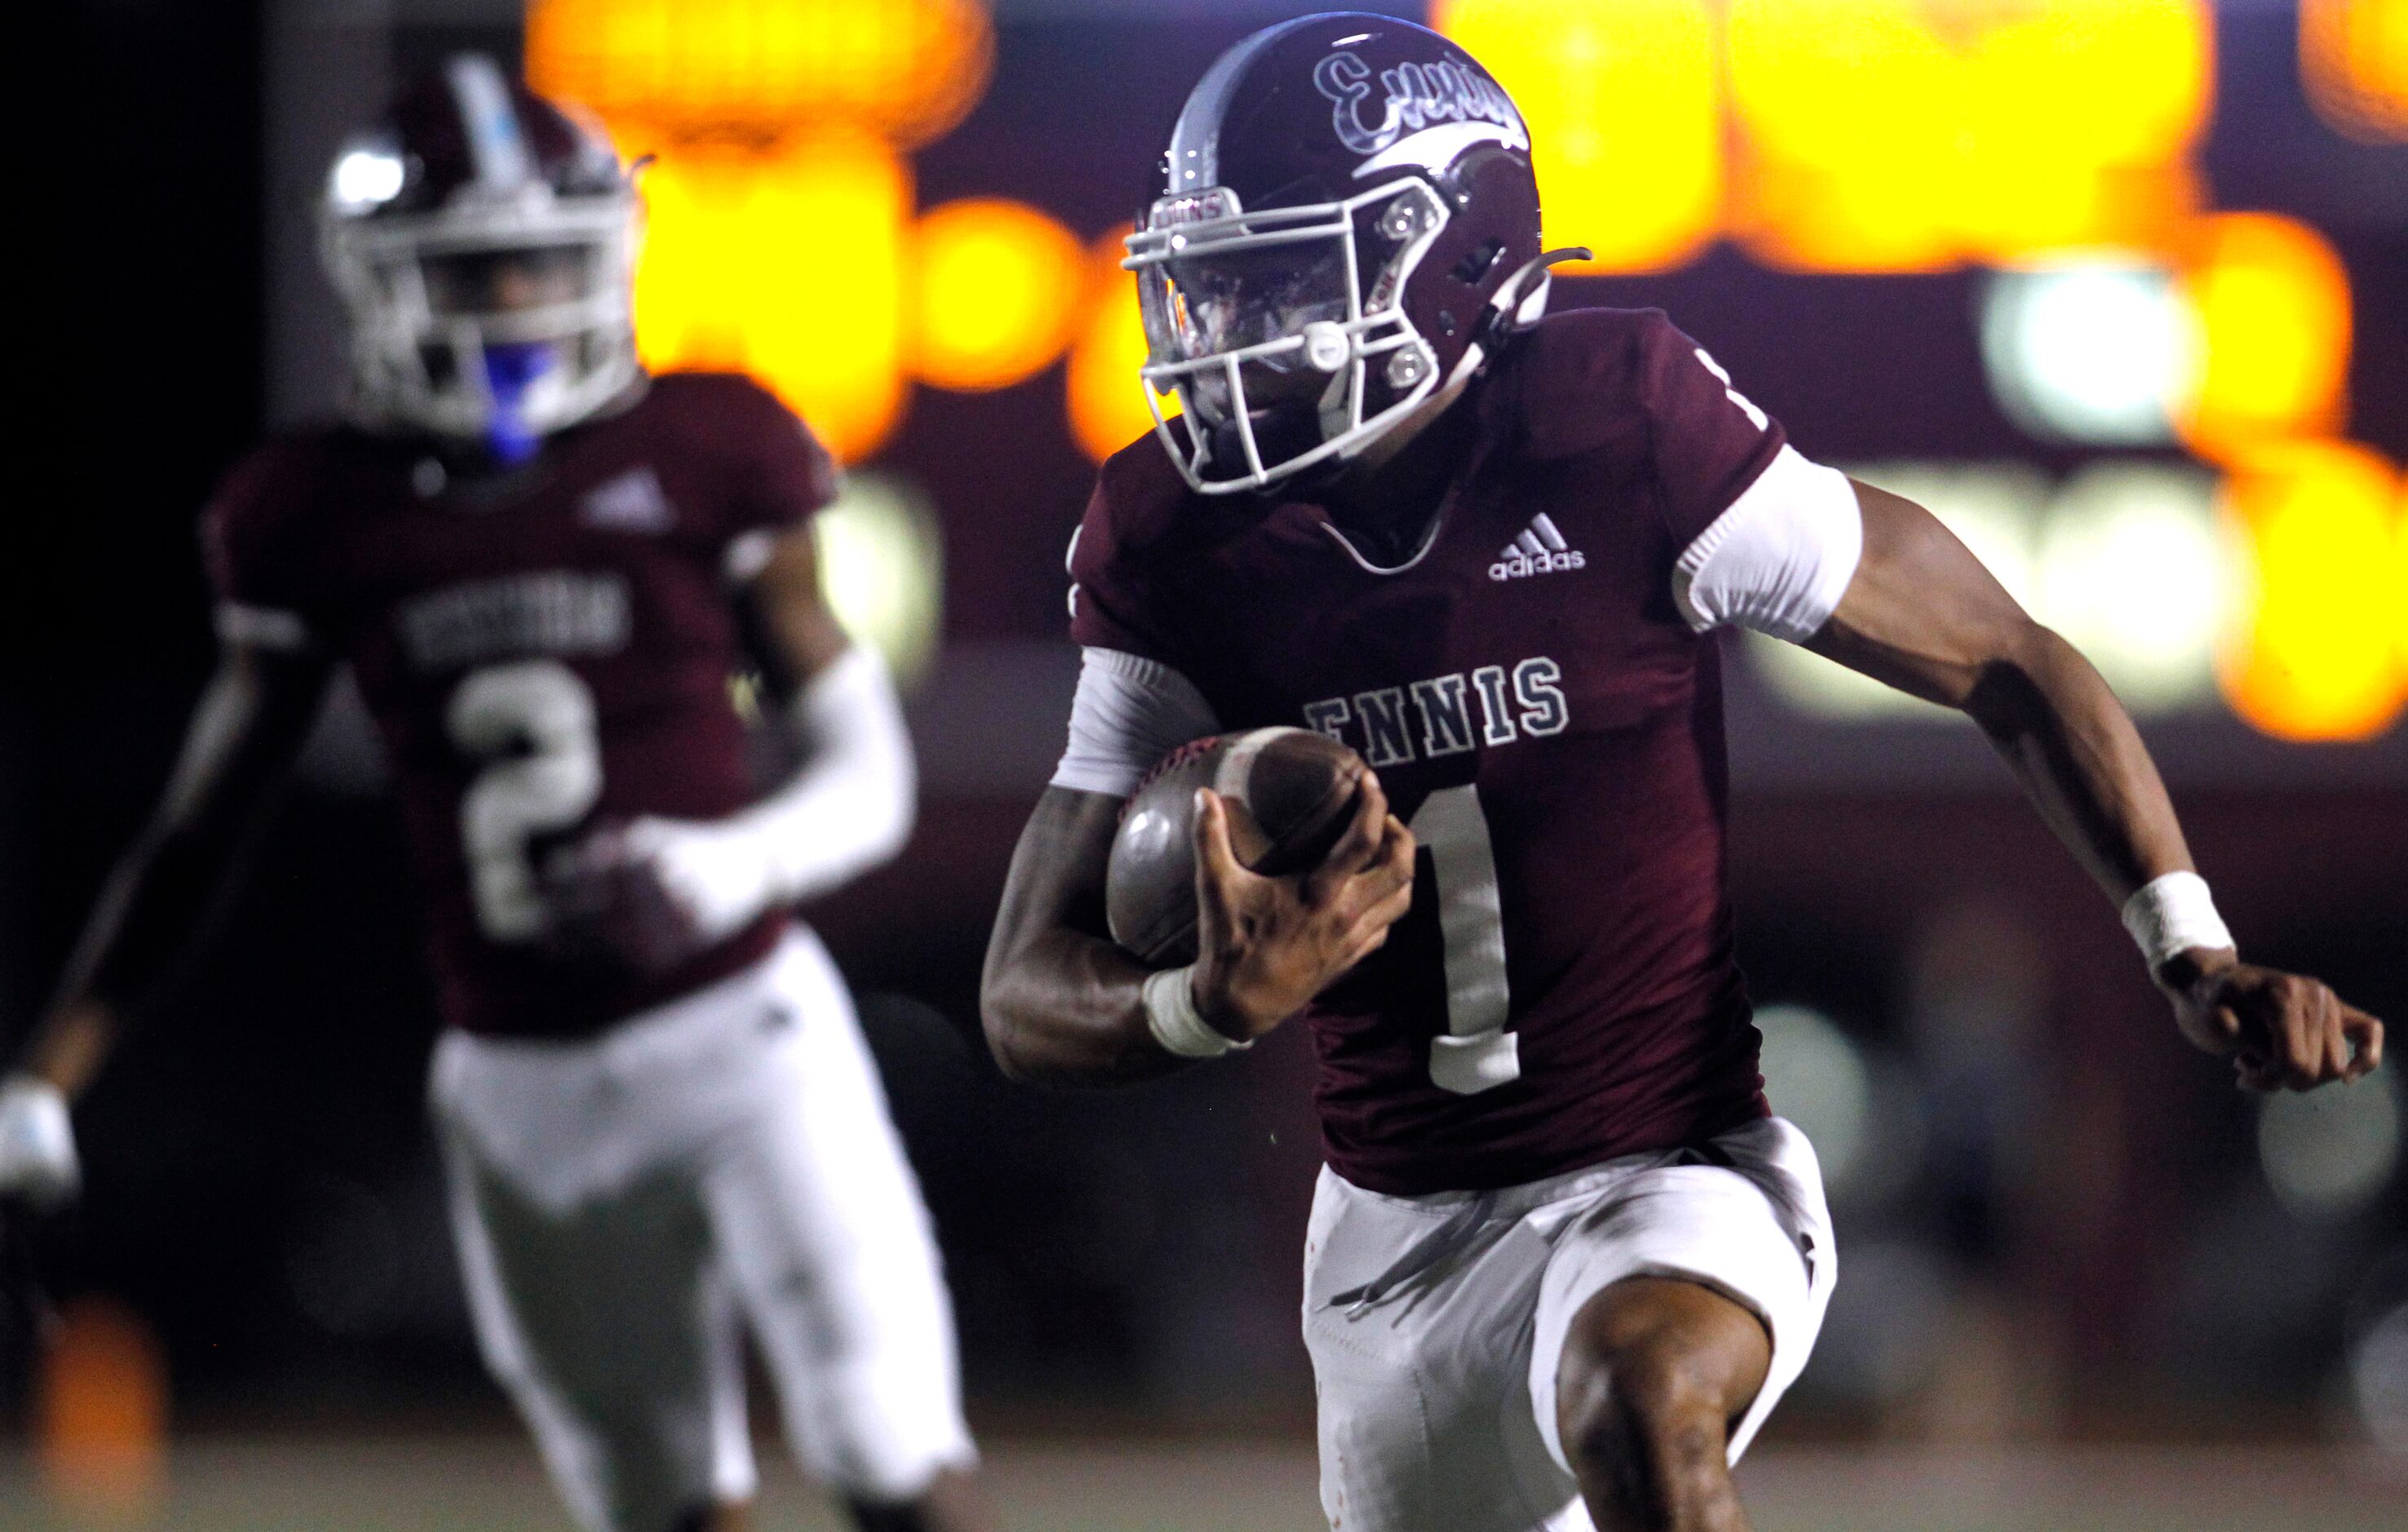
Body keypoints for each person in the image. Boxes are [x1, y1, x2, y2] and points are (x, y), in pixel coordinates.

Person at [979, 14, 2385, 1532]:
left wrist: (2193, 951)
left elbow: (2004, 655)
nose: (1226, 328)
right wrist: (1201, 1007)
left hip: (1667, 1164)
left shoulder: (1622, 423)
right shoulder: (1173, 538)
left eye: (1278, 277)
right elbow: (1021, 989)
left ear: (1447, 257)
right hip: (1391, 1238)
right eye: (1216, 280)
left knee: (1639, 1398)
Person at [0, 56, 982, 1532]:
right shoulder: (314, 510)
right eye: (473, 271)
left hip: (748, 1037)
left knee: (893, 1462)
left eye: (542, 263)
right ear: (381, 285)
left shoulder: (710, 448)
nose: (517, 304)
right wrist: (46, 1073)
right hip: (518, 1089)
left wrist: (728, 866)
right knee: (665, 1513)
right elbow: (200, 834)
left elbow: (870, 777)